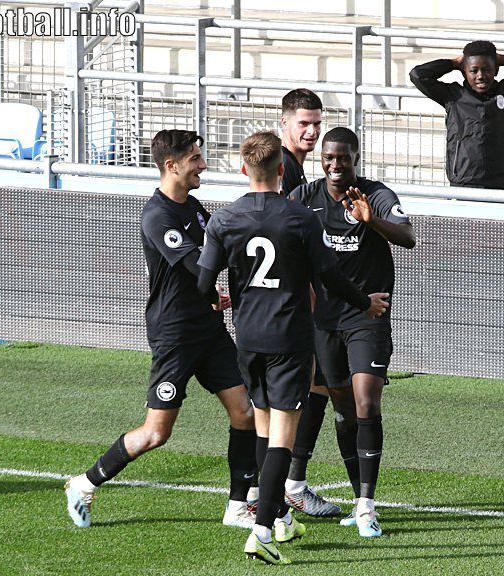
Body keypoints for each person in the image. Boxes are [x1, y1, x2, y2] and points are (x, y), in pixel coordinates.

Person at [196, 130, 389, 565]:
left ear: (245, 169)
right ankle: (262, 530)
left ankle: (280, 517)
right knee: (282, 431)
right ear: (282, 170)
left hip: (247, 338)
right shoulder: (301, 218)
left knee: (263, 426)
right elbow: (332, 277)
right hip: (289, 339)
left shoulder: (223, 220)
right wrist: (367, 302)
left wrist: (220, 299)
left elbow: (204, 283)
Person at [63, 129, 258, 532]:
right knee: (156, 433)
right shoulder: (157, 216)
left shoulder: (197, 208)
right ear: (172, 166)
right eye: (195, 160)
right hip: (175, 336)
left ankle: (238, 505)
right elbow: (196, 265)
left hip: (209, 329)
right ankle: (84, 483)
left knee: (246, 413)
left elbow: (210, 262)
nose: (203, 165)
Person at [288, 127, 416, 538]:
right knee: (341, 408)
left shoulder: (375, 195)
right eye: (329, 158)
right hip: (323, 322)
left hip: (368, 317)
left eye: (343, 158)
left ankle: (366, 505)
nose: (335, 165)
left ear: (355, 158)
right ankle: (310, 487)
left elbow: (408, 238)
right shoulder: (306, 198)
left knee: (366, 402)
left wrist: (371, 220)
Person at [278, 88, 343, 518]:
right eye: (303, 123)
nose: (312, 131)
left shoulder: (298, 172)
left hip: (296, 300)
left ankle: (290, 484)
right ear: (284, 122)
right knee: (275, 399)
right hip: (284, 304)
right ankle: (262, 493)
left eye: (316, 123)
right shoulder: (283, 170)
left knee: (314, 383)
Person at [409, 40, 504, 190]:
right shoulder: (453, 96)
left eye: (487, 69)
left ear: (496, 69)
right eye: (474, 70)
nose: (480, 76)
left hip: (501, 184)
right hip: (463, 185)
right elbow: (418, 75)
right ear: (464, 71)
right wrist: (452, 63)